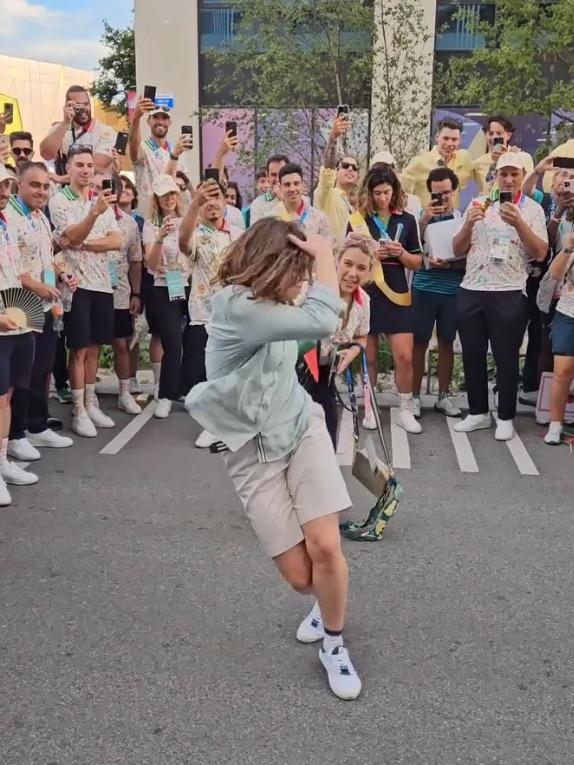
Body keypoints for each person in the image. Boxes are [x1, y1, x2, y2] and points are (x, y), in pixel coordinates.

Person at [186, 220, 362, 701]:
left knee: (326, 546)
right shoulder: (237, 306)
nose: (303, 283)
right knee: (302, 577)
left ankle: (333, 641)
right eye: (298, 272)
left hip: (301, 427)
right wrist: (326, 253)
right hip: (251, 451)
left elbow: (303, 337)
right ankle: (323, 600)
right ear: (273, 266)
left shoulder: (278, 307)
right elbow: (323, 319)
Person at [452, 153, 548, 441]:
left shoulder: (531, 209)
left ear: (522, 176)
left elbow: (541, 253)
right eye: (503, 173)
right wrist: (468, 224)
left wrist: (519, 223)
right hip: (472, 288)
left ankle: (506, 415)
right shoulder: (478, 203)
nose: (507, 179)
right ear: (494, 174)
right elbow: (456, 249)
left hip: (509, 291)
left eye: (514, 174)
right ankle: (478, 412)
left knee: (506, 357)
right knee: (472, 353)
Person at [49, 146, 122, 438]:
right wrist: (92, 217)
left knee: (95, 348)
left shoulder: (100, 199)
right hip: (76, 286)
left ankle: (91, 403)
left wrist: (86, 242)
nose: (86, 170)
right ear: (69, 167)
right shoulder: (60, 201)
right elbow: (69, 236)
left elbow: (116, 240)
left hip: (102, 283)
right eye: (79, 164)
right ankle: (78, 409)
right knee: (78, 349)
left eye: (90, 165)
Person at [5, 161, 76, 459]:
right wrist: (37, 286)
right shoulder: (9, 219)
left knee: (42, 368)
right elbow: (13, 269)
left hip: (48, 303)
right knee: (22, 375)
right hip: (21, 305)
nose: (42, 191)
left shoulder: (40, 217)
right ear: (18, 185)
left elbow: (46, 257)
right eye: (35, 185)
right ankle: (16, 434)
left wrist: (61, 274)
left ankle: (37, 425)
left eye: (46, 186)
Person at [349, 167, 423, 434]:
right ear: (368, 192)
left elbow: (417, 262)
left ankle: (405, 408)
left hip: (397, 292)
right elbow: (348, 261)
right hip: (368, 293)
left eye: (387, 192)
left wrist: (400, 252)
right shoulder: (358, 220)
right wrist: (371, 256)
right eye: (377, 193)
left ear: (395, 192)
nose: (382, 198)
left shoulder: (408, 220)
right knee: (368, 357)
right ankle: (369, 407)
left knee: (404, 355)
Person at [179, 180, 243, 446]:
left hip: (236, 316)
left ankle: (229, 423)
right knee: (207, 374)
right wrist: (193, 204)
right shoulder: (195, 233)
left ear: (226, 201)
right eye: (205, 200)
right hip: (205, 315)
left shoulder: (239, 234)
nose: (212, 203)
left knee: (231, 373)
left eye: (217, 197)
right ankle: (211, 425)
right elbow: (183, 243)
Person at [301, 233, 373, 448]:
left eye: (361, 268)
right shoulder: (312, 289)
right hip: (295, 374)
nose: (352, 273)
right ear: (336, 261)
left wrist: (353, 351)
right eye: (348, 264)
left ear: (369, 273)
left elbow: (362, 336)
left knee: (327, 440)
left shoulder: (363, 301)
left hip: (325, 376)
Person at [0, 164, 39, 503]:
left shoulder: (6, 224)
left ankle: (2, 462)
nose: (3, 192)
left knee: (9, 395)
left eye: (6, 185)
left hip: (17, 321)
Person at [412, 167, 464, 418]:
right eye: (436, 194)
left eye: (445, 193)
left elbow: (468, 257)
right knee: (418, 341)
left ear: (454, 191)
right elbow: (410, 248)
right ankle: (412, 396)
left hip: (451, 288)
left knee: (446, 342)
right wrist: (424, 220)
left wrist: (451, 264)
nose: (441, 199)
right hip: (423, 286)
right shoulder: (420, 218)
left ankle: (443, 397)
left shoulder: (463, 219)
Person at [91, 172, 143, 415]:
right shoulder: (90, 215)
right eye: (106, 188)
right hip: (93, 288)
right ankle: (89, 399)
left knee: (121, 343)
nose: (112, 192)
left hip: (121, 291)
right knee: (93, 345)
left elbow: (135, 261)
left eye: (116, 188)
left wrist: (137, 293)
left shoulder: (130, 223)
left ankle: (124, 393)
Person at [142, 174, 190, 419]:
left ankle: (188, 389)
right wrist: (160, 237)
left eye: (173, 193)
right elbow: (150, 264)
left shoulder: (188, 220)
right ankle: (166, 395)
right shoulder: (151, 225)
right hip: (165, 286)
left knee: (195, 339)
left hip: (191, 284)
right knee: (173, 342)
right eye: (164, 195)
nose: (170, 198)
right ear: (157, 199)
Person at [128, 98, 192, 216]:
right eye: (156, 117)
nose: (160, 121)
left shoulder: (178, 150)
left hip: (174, 215)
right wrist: (136, 119)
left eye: (164, 118)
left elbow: (183, 186)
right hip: (149, 216)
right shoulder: (144, 148)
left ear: (170, 122)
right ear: (148, 121)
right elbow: (133, 146)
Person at [401, 117, 480, 208]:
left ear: (460, 141)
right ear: (437, 137)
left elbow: (482, 172)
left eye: (454, 139)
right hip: (427, 219)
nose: (450, 144)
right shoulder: (419, 162)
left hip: (452, 219)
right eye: (446, 138)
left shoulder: (464, 158)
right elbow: (401, 191)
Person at [118, 174, 150, 394]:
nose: (125, 190)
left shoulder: (137, 221)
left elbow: (138, 259)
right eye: (122, 187)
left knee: (132, 333)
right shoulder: (100, 216)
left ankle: (131, 378)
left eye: (129, 187)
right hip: (105, 284)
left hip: (131, 283)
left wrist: (136, 292)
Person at [40, 85, 116, 173]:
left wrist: (62, 179)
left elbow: (96, 166)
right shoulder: (59, 128)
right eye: (78, 106)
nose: (83, 110)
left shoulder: (106, 132)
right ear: (67, 106)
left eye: (86, 104)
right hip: (66, 186)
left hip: (95, 186)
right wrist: (65, 123)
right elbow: (46, 154)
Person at [544, 233, 574, 444]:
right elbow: (554, 274)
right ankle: (555, 424)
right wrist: (569, 247)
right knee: (562, 371)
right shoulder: (570, 239)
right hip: (568, 310)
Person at [314, 116, 360, 250]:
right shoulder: (327, 195)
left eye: (354, 167)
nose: (350, 169)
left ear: (358, 176)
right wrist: (333, 140)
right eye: (345, 166)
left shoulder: (354, 208)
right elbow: (328, 169)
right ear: (336, 172)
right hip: (329, 263)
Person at [475, 115, 534, 194]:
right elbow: (487, 190)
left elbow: (528, 189)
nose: (494, 137)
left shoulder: (523, 157)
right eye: (490, 133)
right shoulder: (479, 162)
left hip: (518, 204)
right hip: (490, 204)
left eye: (499, 133)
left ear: (509, 135)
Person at [278, 163, 331, 239]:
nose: (292, 189)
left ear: (302, 185)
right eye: (287, 185)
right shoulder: (272, 218)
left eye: (296, 183)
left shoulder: (319, 218)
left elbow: (326, 248)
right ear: (280, 187)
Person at [370, 152, 423, 221]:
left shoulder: (413, 201)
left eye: (387, 169)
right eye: (377, 170)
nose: (382, 174)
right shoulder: (365, 207)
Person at [249, 154, 290, 224]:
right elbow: (256, 232)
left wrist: (284, 199)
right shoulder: (258, 204)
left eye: (281, 174)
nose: (277, 179)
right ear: (267, 175)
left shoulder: (301, 200)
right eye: (273, 175)